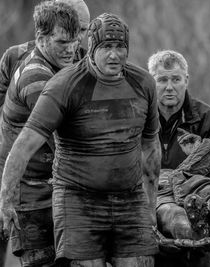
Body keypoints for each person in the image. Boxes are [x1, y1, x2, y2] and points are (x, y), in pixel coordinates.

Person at [0, 12, 160, 267]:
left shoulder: (143, 83)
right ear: (92, 48)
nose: (114, 55)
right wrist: (6, 201)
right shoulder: (64, 85)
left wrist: (151, 205)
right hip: (78, 201)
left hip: (130, 200)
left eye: (121, 47)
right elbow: (23, 146)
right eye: (107, 47)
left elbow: (150, 147)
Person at [0, 1, 80, 266]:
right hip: (29, 191)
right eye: (62, 42)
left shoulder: (62, 63)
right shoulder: (36, 77)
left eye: (75, 40)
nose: (71, 49)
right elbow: (68, 139)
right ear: (41, 39)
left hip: (52, 185)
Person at [147, 50, 210, 267]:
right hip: (145, 215)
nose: (169, 87)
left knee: (186, 225)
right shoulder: (139, 119)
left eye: (176, 79)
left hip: (193, 211)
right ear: (151, 81)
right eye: (162, 79)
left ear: (186, 80)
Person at [0, 0, 90, 110]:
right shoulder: (15, 56)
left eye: (82, 30)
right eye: (68, 28)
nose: (78, 37)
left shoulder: (88, 63)